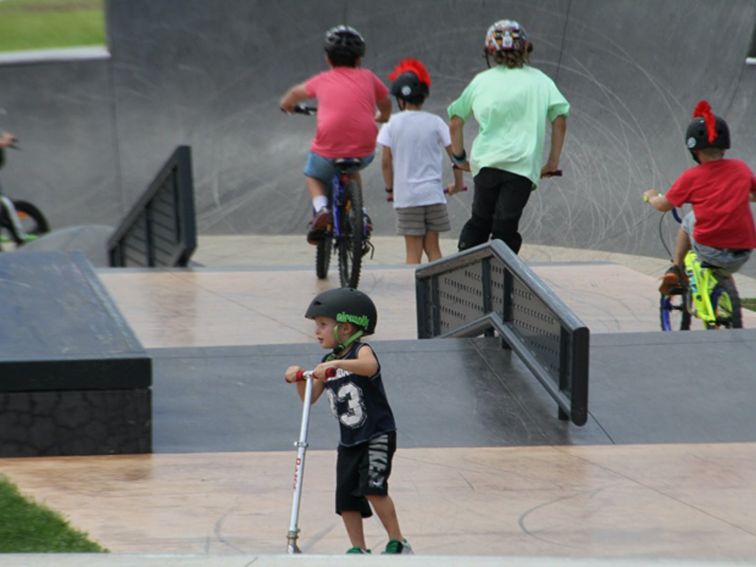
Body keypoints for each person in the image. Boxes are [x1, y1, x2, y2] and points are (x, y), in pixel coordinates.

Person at [284, 288, 412, 555]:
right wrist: (301, 379)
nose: (317, 331)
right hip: (349, 440)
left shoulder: (361, 350)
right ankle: (358, 548)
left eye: (323, 325)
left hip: (377, 434)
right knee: (345, 498)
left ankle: (398, 542)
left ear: (345, 328)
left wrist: (341, 364)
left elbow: (370, 367)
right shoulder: (327, 360)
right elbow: (311, 398)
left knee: (373, 488)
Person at [447, 19, 569, 254]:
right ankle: (502, 280)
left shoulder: (481, 81)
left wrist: (459, 158)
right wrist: (552, 162)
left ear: (490, 52)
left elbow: (455, 122)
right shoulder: (541, 80)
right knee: (505, 226)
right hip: (521, 167)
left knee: (480, 220)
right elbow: (560, 120)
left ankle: (464, 274)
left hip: (486, 163)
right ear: (525, 49)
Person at [279, 25, 391, 244]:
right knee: (354, 166)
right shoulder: (368, 77)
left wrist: (287, 106)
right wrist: (382, 116)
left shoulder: (322, 80)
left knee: (313, 174)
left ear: (327, 59)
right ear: (359, 59)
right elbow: (385, 101)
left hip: (328, 150)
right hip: (365, 146)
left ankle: (321, 208)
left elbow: (293, 95)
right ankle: (362, 213)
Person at [643, 100, 756, 294]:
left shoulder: (692, 177)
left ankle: (676, 268)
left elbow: (664, 205)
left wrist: (651, 196)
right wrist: (735, 194)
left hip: (710, 251)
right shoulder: (741, 169)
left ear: (694, 150)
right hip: (742, 252)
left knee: (689, 220)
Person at [377, 58, 465, 264]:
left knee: (413, 253)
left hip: (408, 198)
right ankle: (439, 292)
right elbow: (456, 155)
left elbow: (385, 162)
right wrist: (458, 183)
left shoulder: (391, 124)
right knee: (433, 249)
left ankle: (414, 294)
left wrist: (390, 190)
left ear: (400, 99)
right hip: (433, 195)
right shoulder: (435, 122)